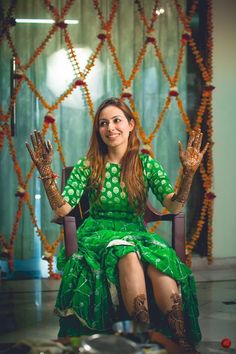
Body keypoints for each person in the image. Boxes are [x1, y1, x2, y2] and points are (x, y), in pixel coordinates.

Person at [26, 97, 208, 354]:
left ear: (131, 125)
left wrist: (189, 174)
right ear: (98, 130)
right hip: (99, 234)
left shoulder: (145, 164)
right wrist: (46, 176)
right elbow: (64, 209)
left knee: (161, 264)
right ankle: (140, 337)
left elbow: (174, 205)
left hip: (136, 233)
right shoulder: (88, 165)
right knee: (127, 254)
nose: (110, 128)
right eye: (103, 123)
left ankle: (181, 342)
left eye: (116, 120)